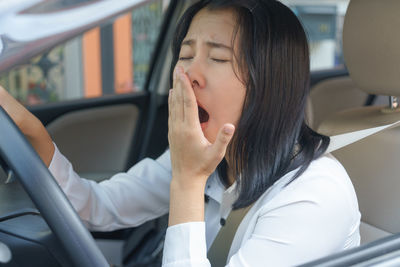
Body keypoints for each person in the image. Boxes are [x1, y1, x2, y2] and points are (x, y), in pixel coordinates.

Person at [0, 0, 361, 266]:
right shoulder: (203, 154)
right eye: (186, 54)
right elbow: (100, 208)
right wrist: (35, 137)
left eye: (218, 59)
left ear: (270, 84)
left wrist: (188, 182)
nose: (189, 73)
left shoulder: (313, 194)